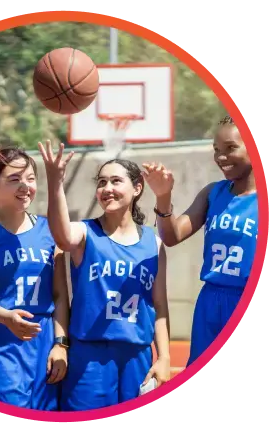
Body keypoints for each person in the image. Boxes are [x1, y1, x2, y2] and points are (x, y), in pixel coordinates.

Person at [38, 140, 170, 411]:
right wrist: (55, 181)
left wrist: (165, 357)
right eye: (101, 182)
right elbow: (61, 236)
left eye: (115, 181)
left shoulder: (153, 243)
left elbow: (159, 306)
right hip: (90, 357)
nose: (107, 188)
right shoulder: (85, 233)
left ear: (137, 188)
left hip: (137, 356)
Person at [142, 115, 257, 366]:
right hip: (211, 301)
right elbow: (171, 236)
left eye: (230, 148)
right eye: (217, 150)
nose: (221, 157)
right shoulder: (213, 192)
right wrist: (163, 197)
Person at [0, 146, 70, 410]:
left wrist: (61, 344)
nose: (25, 186)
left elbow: (61, 295)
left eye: (30, 178)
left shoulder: (50, 229)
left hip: (43, 344)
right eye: (14, 179)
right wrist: (6, 317)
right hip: (0, 343)